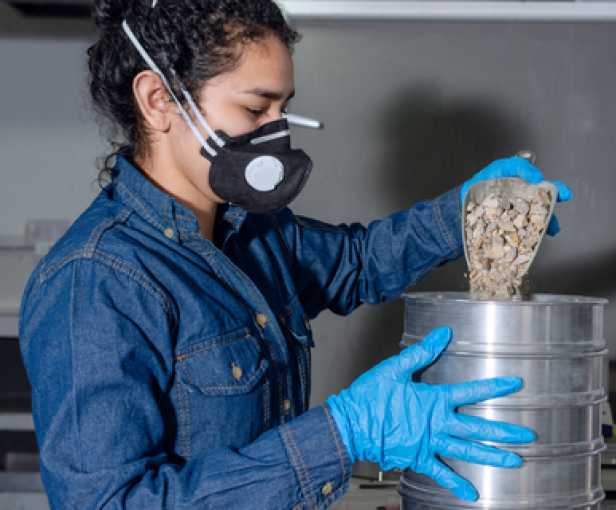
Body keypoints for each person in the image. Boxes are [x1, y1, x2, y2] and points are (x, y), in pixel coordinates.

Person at [18, 0, 572, 508]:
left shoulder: (253, 231)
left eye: (283, 110)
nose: (276, 134)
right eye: (255, 108)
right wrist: (341, 434)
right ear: (159, 100)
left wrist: (465, 214)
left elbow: (357, 263)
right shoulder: (96, 281)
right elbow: (109, 503)